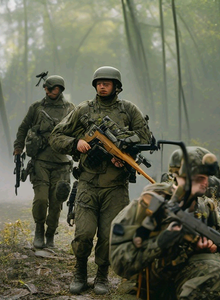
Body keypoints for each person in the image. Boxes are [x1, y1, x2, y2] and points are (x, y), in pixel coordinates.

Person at [49, 66, 152, 295]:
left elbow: (144, 137)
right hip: (87, 183)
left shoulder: (128, 110)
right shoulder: (84, 110)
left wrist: (125, 154)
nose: (102, 86)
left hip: (116, 187)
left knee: (107, 235)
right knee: (84, 233)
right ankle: (80, 271)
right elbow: (56, 136)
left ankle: (102, 275)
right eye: (99, 82)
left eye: (107, 83)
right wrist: (75, 143)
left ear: (117, 86)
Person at [110, 146, 220, 300]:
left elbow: (212, 248)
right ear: (178, 175)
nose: (204, 182)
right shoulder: (146, 205)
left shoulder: (205, 207)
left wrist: (207, 249)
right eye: (198, 177)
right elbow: (120, 264)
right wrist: (160, 242)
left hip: (182, 280)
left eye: (206, 177)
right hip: (143, 286)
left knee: (215, 268)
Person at [13, 75, 75, 249]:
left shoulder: (70, 109)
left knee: (56, 202)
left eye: (57, 89)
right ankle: (39, 230)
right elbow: (24, 127)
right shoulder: (37, 108)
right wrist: (18, 147)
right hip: (40, 161)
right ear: (46, 89)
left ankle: (50, 234)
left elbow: (79, 130)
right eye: (51, 88)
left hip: (62, 163)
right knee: (40, 199)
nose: (54, 92)